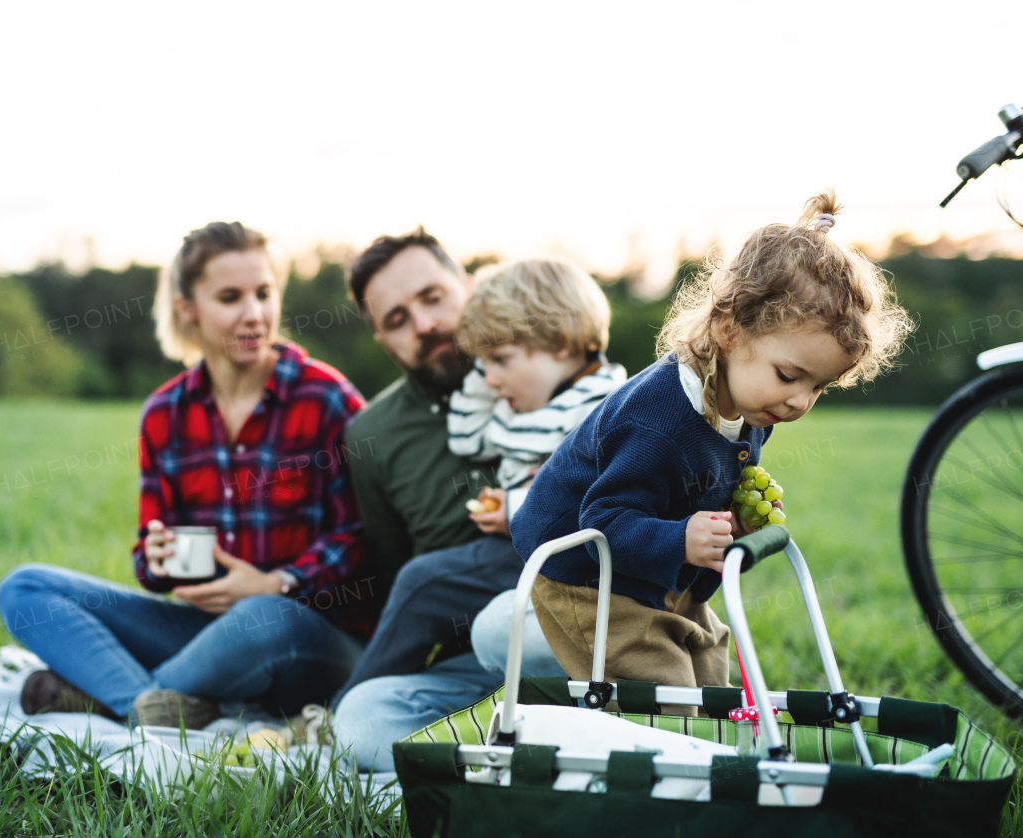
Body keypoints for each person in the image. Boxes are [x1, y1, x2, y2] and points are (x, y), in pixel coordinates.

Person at [512, 190, 912, 712]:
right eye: (789, 376)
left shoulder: (752, 407)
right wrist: (682, 537)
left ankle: (713, 752)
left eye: (819, 387)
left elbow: (702, 509)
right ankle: (655, 769)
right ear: (728, 329)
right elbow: (603, 522)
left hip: (653, 562)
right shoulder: (657, 422)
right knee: (661, 688)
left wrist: (730, 533)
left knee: (710, 667)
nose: (799, 402)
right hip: (584, 573)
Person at [0, 221, 375, 729]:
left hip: (307, 635)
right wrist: (155, 558)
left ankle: (116, 696)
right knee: (24, 588)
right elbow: (150, 565)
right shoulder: (164, 415)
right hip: (204, 633)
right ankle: (147, 706)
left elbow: (363, 538)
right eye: (230, 297)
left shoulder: (328, 398)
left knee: (260, 614)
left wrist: (278, 582)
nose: (254, 314)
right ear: (187, 308)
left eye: (264, 293)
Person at [328, 229, 538, 771]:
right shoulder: (370, 436)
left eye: (433, 298)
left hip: (571, 629)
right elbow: (397, 572)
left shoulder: (546, 369)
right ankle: (489, 761)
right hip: (472, 667)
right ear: (381, 339)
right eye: (397, 319)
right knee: (362, 719)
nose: (424, 324)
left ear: (468, 286)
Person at [445, 257, 627, 675]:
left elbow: (593, 494)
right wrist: (484, 344)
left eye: (501, 359)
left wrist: (516, 507)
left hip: (581, 571)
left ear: (561, 343)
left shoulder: (599, 404)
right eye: (482, 362)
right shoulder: (522, 407)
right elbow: (466, 436)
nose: (489, 378)